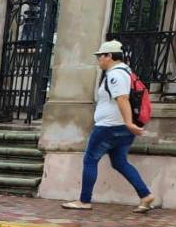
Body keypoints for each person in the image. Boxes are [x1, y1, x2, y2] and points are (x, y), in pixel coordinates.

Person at [62, 40, 158, 213]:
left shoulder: (115, 75)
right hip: (121, 129)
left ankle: (84, 201)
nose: (98, 60)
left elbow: (122, 99)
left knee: (90, 160)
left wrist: (129, 123)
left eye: (100, 56)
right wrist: (128, 124)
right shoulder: (126, 72)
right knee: (120, 162)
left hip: (108, 128)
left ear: (109, 56)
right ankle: (145, 195)